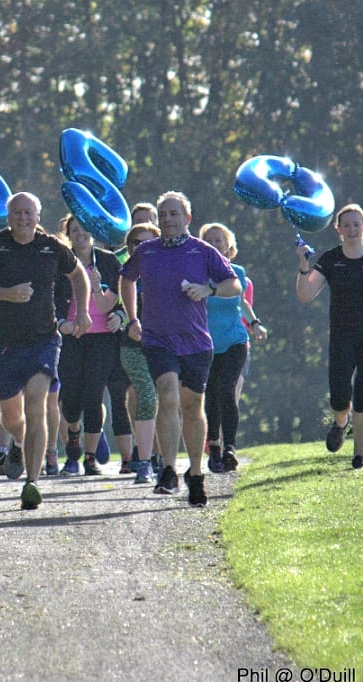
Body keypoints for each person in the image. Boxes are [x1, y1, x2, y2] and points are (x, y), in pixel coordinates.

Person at [0, 192, 92, 510]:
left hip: (43, 340)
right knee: (11, 416)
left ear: (38, 216)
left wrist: (83, 312)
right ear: (8, 217)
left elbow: (78, 275)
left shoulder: (52, 247)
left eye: (28, 213)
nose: (23, 218)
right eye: (17, 212)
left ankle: (32, 482)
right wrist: (5, 294)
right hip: (4, 343)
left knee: (37, 404)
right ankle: (18, 442)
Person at [119, 191, 241, 508]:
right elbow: (126, 279)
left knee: (192, 406)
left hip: (196, 342)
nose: (168, 220)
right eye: (163, 215)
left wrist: (208, 289)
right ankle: (169, 470)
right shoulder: (146, 251)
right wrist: (132, 317)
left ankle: (196, 473)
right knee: (167, 393)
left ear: (187, 218)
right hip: (158, 339)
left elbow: (234, 284)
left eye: (173, 214)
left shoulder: (202, 251)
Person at [296, 204, 363, 468]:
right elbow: (305, 295)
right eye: (346, 225)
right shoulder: (331, 259)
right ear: (338, 229)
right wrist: (303, 265)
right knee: (339, 396)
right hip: (342, 335)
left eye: (356, 224)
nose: (352, 229)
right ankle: (341, 422)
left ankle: (360, 456)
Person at [54, 214, 122, 477]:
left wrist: (118, 314)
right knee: (70, 399)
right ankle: (73, 433)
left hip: (102, 337)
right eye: (75, 230)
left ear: (93, 232)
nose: (80, 234)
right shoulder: (61, 261)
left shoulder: (108, 261)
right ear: (68, 234)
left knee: (94, 396)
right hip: (71, 336)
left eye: (84, 229)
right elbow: (51, 297)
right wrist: (61, 322)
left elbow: (119, 300)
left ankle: (89, 458)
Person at [199, 223, 268, 472]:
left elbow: (243, 303)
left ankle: (230, 447)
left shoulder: (237, 273)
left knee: (227, 389)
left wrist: (255, 324)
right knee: (211, 394)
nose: (214, 244)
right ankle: (214, 445)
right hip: (206, 343)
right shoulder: (197, 274)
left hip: (235, 341)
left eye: (219, 240)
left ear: (229, 247)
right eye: (209, 240)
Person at [118, 222, 161, 484]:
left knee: (167, 400)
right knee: (145, 395)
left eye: (148, 242)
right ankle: (145, 461)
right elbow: (112, 305)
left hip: (168, 345)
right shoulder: (124, 274)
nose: (142, 248)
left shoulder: (170, 269)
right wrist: (128, 319)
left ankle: (162, 458)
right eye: (137, 243)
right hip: (134, 346)